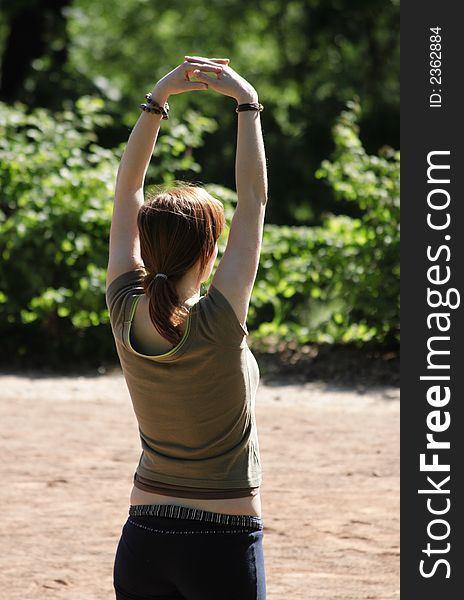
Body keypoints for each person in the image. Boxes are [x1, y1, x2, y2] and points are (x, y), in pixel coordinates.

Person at [105, 56, 268, 600]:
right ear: (208, 252)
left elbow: (127, 193)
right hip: (222, 540)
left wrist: (158, 97)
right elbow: (256, 205)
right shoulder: (219, 320)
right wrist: (246, 104)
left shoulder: (124, 308)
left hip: (143, 538)